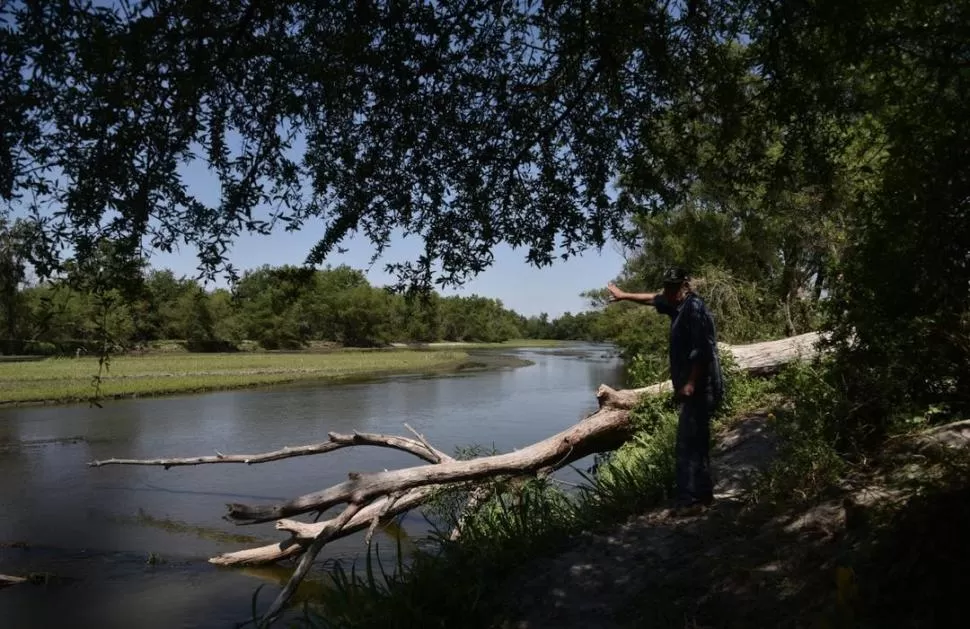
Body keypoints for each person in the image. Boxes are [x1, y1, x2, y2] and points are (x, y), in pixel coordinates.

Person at [606, 267, 724, 515]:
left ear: (686, 285)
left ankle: (689, 501)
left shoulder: (694, 309)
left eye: (674, 286)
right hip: (694, 387)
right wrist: (624, 294)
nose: (668, 291)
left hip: (702, 387)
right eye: (667, 286)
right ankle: (703, 496)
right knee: (697, 441)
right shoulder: (677, 305)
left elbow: (703, 350)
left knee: (687, 443)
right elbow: (652, 298)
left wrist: (690, 383)